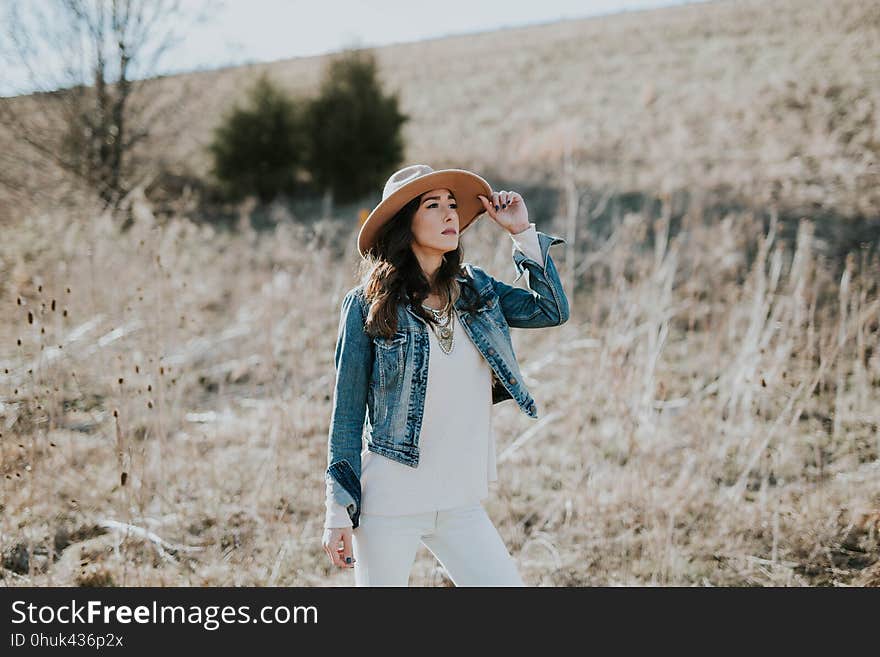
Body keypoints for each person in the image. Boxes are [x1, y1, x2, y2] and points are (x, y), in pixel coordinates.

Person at [320, 164, 569, 586]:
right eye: (432, 205)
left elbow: (551, 310)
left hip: (459, 500)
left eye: (452, 204)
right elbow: (346, 413)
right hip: (390, 502)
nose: (449, 214)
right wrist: (337, 509)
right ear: (404, 222)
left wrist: (522, 232)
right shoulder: (367, 305)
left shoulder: (477, 292)